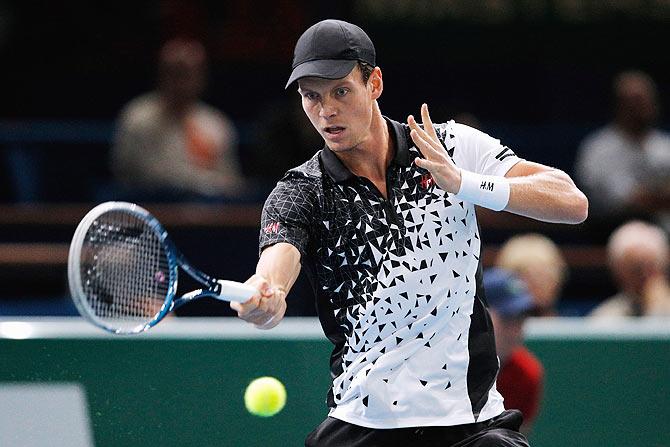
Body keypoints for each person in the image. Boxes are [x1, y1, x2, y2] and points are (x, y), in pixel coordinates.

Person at [231, 19, 587, 446]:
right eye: (312, 97)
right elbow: (276, 266)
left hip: (471, 427)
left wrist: (464, 182)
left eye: (341, 91)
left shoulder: (450, 146)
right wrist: (265, 295)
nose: (326, 111)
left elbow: (571, 202)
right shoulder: (300, 193)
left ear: (374, 83)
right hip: (363, 426)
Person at [110, 38, 246, 201]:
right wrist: (202, 182)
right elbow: (138, 174)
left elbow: (230, 182)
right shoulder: (138, 118)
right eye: (174, 72)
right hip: (152, 210)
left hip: (208, 218)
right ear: (161, 74)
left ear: (201, 76)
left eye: (188, 73)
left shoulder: (215, 123)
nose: (181, 82)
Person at [575, 70, 670, 233]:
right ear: (620, 105)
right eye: (636, 102)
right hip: (613, 232)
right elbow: (626, 200)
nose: (643, 108)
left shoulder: (665, 145)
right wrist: (659, 197)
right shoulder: (598, 149)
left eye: (647, 100)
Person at [483, 268, 544, 435]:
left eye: (521, 319)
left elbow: (516, 437)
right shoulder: (450, 366)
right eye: (507, 319)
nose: (516, 331)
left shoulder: (527, 373)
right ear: (480, 315)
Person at [590, 220, 670, 318]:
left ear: (662, 266)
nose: (644, 275)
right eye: (636, 269)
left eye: (650, 266)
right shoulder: (606, 317)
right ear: (618, 270)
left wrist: (660, 308)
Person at [495, 233, 568, 317]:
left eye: (545, 275)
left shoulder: (577, 324)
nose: (539, 283)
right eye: (527, 275)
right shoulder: (487, 325)